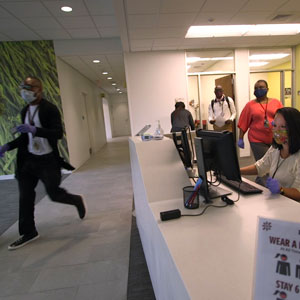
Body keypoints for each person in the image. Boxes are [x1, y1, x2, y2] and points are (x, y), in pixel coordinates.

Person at [0, 76, 87, 250]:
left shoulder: (50, 109)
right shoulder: (25, 111)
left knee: (54, 194)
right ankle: (28, 232)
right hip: (28, 161)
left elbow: (57, 133)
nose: (25, 93)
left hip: (47, 160)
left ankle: (76, 200)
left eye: (29, 89)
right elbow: (25, 138)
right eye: (23, 89)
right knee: (25, 197)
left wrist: (36, 130)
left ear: (38, 90)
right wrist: (7, 146)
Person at [240, 107, 300, 202]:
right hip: (278, 202)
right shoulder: (275, 149)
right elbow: (260, 167)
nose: (276, 130)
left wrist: (281, 190)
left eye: (282, 127)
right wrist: (237, 171)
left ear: (294, 128)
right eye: (275, 125)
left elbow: (298, 192)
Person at [237, 79, 283, 185]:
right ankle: (265, 184)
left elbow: (283, 117)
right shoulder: (250, 105)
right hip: (257, 139)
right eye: (256, 88)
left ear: (267, 89)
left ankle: (260, 180)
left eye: (261, 87)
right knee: (264, 162)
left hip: (275, 138)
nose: (259, 90)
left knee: (275, 161)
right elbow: (244, 121)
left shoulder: (276, 102)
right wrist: (240, 138)